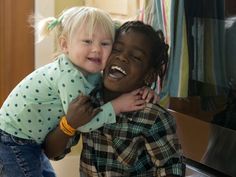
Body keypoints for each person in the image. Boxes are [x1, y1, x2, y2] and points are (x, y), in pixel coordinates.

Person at [0, 7, 156, 177]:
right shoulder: (70, 76)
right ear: (65, 45)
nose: (96, 49)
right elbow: (83, 123)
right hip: (13, 140)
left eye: (105, 43)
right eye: (87, 42)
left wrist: (142, 89)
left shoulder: (89, 71)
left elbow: (115, 83)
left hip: (27, 139)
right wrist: (117, 105)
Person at [44, 21, 185, 177]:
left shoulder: (152, 117)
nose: (122, 57)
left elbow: (171, 169)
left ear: (149, 75)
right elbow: (51, 153)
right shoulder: (87, 99)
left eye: (136, 57)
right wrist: (69, 124)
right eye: (116, 49)